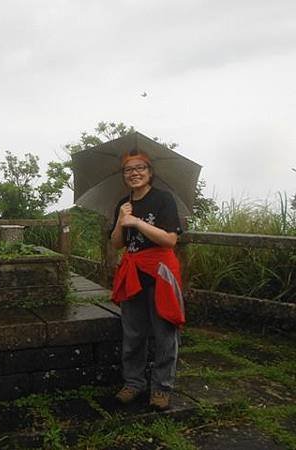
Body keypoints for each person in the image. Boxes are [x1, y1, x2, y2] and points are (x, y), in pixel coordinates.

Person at [109, 148, 185, 411]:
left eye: (140, 168)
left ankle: (161, 388)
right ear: (123, 175)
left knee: (165, 332)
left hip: (160, 272)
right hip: (133, 273)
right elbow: (117, 243)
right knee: (132, 333)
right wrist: (121, 220)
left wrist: (137, 223)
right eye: (129, 169)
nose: (134, 173)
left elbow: (169, 240)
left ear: (150, 172)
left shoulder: (164, 199)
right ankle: (134, 383)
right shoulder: (122, 203)